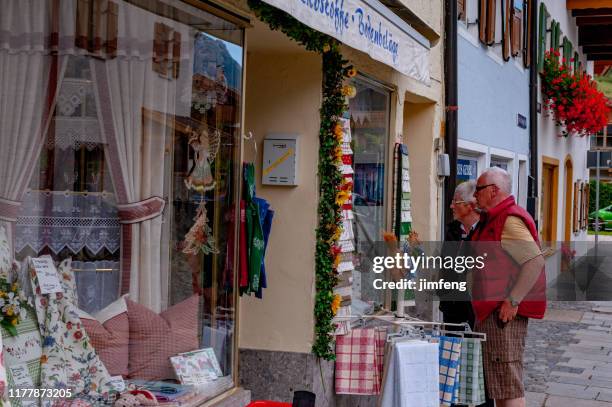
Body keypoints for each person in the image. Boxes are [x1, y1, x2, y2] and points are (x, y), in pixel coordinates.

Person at [471, 167, 547, 407]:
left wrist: (513, 300)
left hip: (502, 314)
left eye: (479, 189)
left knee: (507, 382)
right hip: (492, 310)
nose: (475, 195)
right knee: (501, 384)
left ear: (493, 191)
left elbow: (534, 261)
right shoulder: (494, 218)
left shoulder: (509, 220)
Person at [439, 181, 494, 407]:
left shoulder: (486, 232)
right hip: (452, 307)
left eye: (456, 202)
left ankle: (482, 403)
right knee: (454, 361)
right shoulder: (452, 230)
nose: (451, 206)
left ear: (471, 205)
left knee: (479, 363)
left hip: (477, 310)